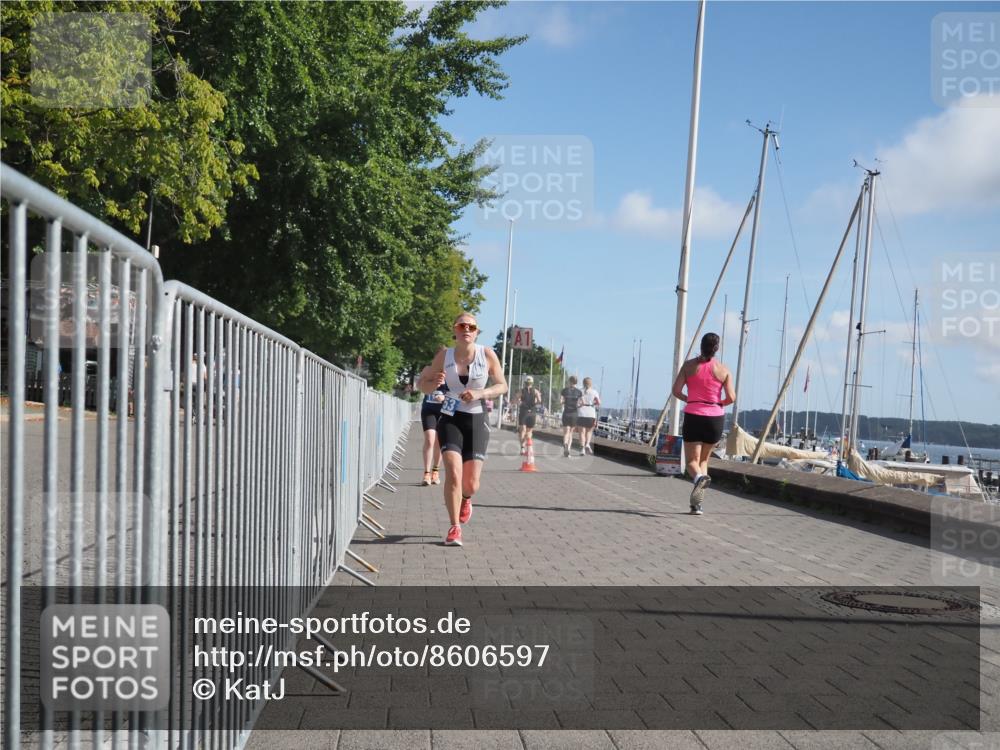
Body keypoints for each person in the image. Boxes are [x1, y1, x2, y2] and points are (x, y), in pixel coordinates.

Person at [418, 313, 507, 546]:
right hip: (450, 418)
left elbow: (502, 386)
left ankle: (466, 498)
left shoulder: (487, 354)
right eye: (461, 326)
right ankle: (454, 527)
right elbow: (422, 385)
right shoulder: (444, 356)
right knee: (453, 474)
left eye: (471, 326)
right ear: (455, 330)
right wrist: (433, 383)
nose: (466, 329)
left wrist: (481, 393)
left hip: (477, 420)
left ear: (476, 332)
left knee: (471, 484)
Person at [671, 332, 735, 515]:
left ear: (701, 345)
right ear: (717, 348)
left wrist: (690, 399)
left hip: (694, 415)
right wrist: (717, 403)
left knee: (692, 462)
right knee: (704, 460)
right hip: (715, 419)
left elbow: (676, 391)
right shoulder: (723, 369)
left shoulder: (688, 366)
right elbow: (731, 397)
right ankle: (696, 505)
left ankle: (698, 478)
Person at [419, 351, 448, 486]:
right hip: (429, 409)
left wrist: (444, 397)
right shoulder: (428, 370)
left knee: (439, 442)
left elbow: (457, 392)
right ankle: (426, 473)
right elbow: (420, 386)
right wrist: (430, 383)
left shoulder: (451, 372)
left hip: (443, 410)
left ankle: (435, 471)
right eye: (438, 357)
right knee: (430, 439)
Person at [515, 376, 543, 454]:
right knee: (529, 431)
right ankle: (529, 446)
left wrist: (519, 402)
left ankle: (522, 448)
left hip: (523, 411)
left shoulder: (521, 391)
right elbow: (539, 401)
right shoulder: (536, 391)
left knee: (522, 430)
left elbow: (516, 399)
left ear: (525, 383)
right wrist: (535, 401)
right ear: (532, 383)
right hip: (532, 412)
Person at [560, 376, 583, 457]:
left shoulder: (564, 390)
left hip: (566, 413)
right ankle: (568, 449)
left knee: (566, 432)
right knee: (571, 433)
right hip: (574, 414)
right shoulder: (579, 392)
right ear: (576, 382)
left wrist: (566, 402)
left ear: (569, 381)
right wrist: (577, 405)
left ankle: (565, 445)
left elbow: (561, 401)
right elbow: (582, 403)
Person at [576, 377, 601, 455]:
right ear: (591, 383)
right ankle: (587, 444)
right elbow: (599, 402)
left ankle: (582, 449)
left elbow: (576, 402)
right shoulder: (594, 392)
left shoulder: (579, 391)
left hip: (581, 413)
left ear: (583, 383)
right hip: (591, 414)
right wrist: (592, 403)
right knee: (589, 432)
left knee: (582, 432)